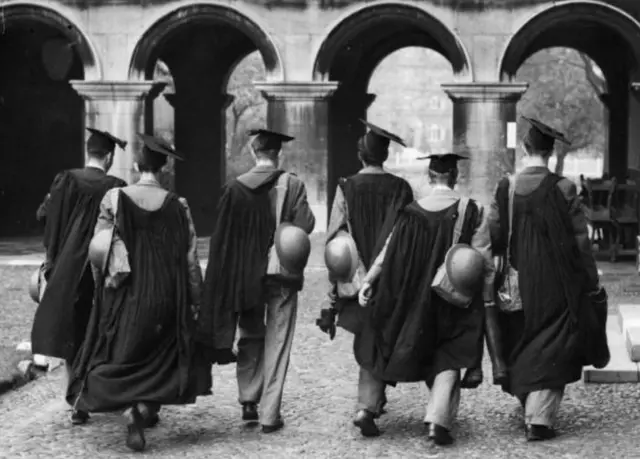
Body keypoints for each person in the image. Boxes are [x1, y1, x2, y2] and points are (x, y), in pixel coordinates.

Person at [66, 134, 210, 452]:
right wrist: (196, 300)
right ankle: (144, 410)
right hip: (167, 299)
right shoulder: (179, 205)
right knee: (160, 361)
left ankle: (130, 408)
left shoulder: (114, 199)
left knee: (121, 356)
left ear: (135, 165)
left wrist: (102, 290)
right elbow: (190, 261)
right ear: (163, 169)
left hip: (125, 295)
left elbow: (99, 250)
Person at [355, 152, 495, 445]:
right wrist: (487, 298)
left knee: (381, 339)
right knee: (449, 351)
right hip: (449, 298)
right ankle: (437, 422)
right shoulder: (473, 211)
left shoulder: (410, 211)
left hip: (406, 295)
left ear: (429, 177)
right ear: (455, 177)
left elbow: (388, 251)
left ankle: (366, 409)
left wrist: (369, 280)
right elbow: (482, 261)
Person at [487, 116, 604, 442]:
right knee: (555, 342)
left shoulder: (506, 188)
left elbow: (494, 234)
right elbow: (581, 242)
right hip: (558, 283)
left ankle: (530, 401)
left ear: (525, 149)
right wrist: (591, 282)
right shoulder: (565, 188)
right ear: (550, 152)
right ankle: (538, 418)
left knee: (521, 337)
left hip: (517, 282)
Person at [200, 128, 316, 434]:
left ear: (254, 153)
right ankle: (269, 413)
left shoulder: (234, 188)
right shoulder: (291, 183)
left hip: (246, 276)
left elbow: (224, 237)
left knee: (250, 333)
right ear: (278, 154)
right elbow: (306, 224)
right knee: (278, 340)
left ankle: (248, 399)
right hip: (281, 274)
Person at [318, 120, 414, 436]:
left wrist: (345, 283)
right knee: (380, 335)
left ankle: (370, 402)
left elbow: (336, 238)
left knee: (371, 336)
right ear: (384, 154)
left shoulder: (346, 186)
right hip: (391, 277)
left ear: (361, 156)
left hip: (359, 279)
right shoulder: (401, 188)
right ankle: (368, 404)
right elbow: (407, 236)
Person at [31, 128, 128, 425]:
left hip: (68, 270)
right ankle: (96, 392)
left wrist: (54, 258)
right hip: (99, 271)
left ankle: (76, 401)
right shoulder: (116, 186)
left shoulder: (66, 180)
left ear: (89, 154)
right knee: (98, 330)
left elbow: (44, 217)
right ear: (109, 157)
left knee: (72, 331)